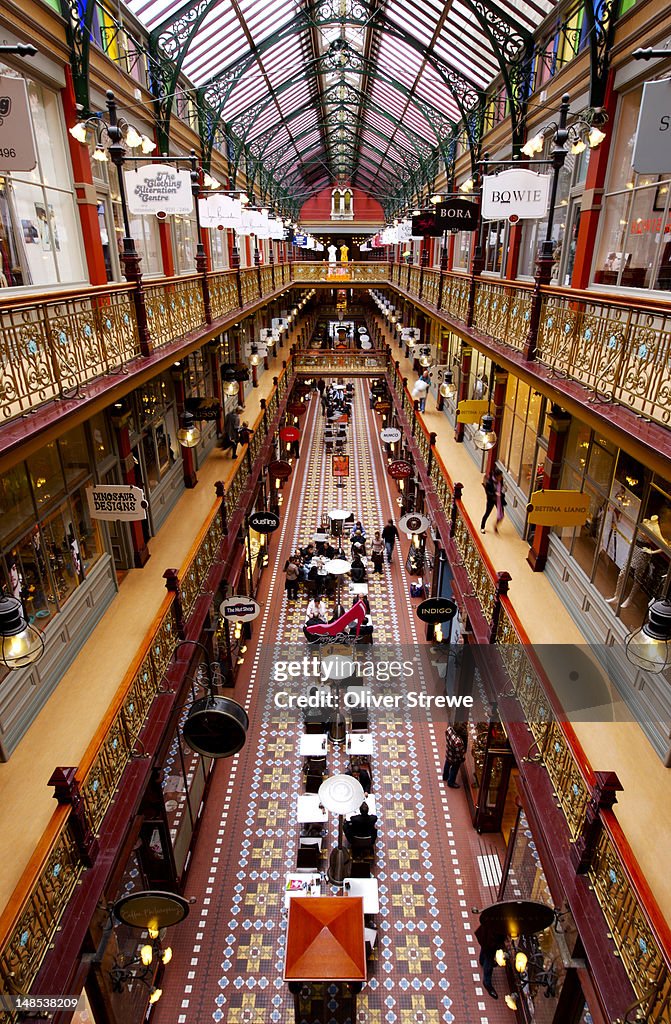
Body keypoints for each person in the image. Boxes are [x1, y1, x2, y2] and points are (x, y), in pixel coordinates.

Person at [475, 922, 507, 1000]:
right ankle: (487, 982)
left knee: (485, 949)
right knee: (489, 961)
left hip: (488, 935)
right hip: (491, 939)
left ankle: (482, 960)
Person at [481, 467, 506, 534]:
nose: (501, 477)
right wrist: (495, 494)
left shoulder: (501, 480)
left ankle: (495, 526)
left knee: (501, 515)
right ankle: (482, 527)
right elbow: (488, 493)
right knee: (487, 513)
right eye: (500, 476)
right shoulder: (489, 482)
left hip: (499, 499)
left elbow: (502, 487)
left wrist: (502, 492)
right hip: (491, 499)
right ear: (496, 476)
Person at [442, 722, 467, 788]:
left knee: (447, 764)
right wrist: (462, 758)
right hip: (454, 758)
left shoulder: (449, 730)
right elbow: (459, 753)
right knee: (454, 769)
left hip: (448, 752)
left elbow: (446, 734)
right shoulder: (458, 742)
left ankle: (445, 776)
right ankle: (451, 782)